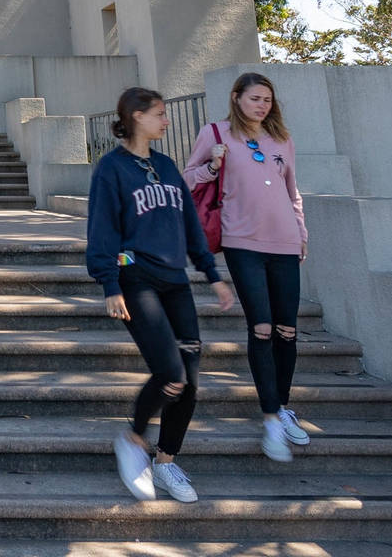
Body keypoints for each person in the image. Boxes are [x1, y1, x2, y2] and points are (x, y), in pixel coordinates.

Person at [88, 86, 235, 504]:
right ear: (136, 116)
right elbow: (102, 228)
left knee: (189, 381)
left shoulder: (168, 167)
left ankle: (166, 461)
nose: (166, 120)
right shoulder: (112, 169)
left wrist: (212, 273)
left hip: (175, 280)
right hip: (136, 279)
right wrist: (109, 283)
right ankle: (133, 440)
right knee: (170, 372)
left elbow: (191, 225)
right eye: (159, 113)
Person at [183, 72, 309, 463]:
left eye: (267, 100)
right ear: (236, 98)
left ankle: (283, 406)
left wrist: (301, 230)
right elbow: (185, 179)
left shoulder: (282, 140)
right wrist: (211, 168)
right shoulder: (216, 134)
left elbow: (293, 192)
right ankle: (270, 416)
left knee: (287, 330)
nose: (262, 106)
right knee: (262, 327)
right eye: (255, 98)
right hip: (242, 242)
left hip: (285, 243)